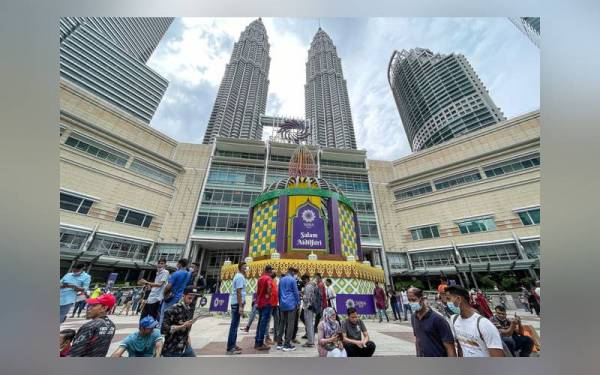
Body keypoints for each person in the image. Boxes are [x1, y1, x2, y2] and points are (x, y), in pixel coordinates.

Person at [446, 285, 505, 357]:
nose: (447, 303)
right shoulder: (454, 320)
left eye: (448, 299)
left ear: (458, 299)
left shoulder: (484, 324)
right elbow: (460, 347)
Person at [408, 287, 456, 357]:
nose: (411, 303)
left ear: (422, 299)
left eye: (413, 300)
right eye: (409, 300)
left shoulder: (438, 319)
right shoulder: (413, 318)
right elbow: (418, 340)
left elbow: (450, 347)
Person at [161, 286, 200, 357]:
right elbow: (164, 330)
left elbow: (186, 332)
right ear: (183, 296)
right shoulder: (172, 309)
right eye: (189, 298)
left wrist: (189, 346)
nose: (191, 301)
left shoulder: (188, 309)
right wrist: (182, 326)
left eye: (193, 298)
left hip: (185, 347)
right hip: (172, 348)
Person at [159, 258, 192, 325]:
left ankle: (162, 330)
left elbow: (169, 286)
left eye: (177, 263)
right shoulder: (188, 274)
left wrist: (164, 293)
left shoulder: (176, 273)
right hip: (180, 297)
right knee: (174, 315)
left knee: (164, 314)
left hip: (171, 297)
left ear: (180, 264)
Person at [276, 267, 300, 351]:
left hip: (282, 304)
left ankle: (279, 343)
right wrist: (298, 303)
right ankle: (287, 344)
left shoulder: (281, 280)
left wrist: (280, 302)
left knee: (282, 323)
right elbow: (296, 292)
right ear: (292, 272)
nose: (295, 274)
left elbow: (278, 292)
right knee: (290, 324)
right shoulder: (293, 280)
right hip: (291, 304)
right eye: (295, 272)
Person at [226, 262, 247, 355]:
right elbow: (239, 292)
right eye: (245, 266)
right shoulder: (239, 277)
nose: (246, 268)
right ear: (241, 268)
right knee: (234, 326)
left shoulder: (240, 276)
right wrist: (240, 306)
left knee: (235, 325)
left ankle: (233, 344)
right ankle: (231, 347)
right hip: (237, 304)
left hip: (237, 303)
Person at [254, 265, 273, 351]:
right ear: (269, 271)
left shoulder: (260, 278)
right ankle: (260, 343)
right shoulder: (268, 278)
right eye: (272, 270)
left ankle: (257, 341)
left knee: (260, 323)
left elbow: (257, 291)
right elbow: (269, 288)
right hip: (266, 302)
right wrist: (269, 294)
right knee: (263, 323)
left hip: (260, 302)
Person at [301, 274, 318, 348]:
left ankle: (310, 342)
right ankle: (311, 340)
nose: (303, 281)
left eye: (303, 280)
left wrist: (302, 295)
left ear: (306, 279)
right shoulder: (313, 285)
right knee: (310, 324)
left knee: (309, 325)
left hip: (308, 307)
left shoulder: (308, 286)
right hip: (311, 307)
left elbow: (306, 298)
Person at [264, 271, 279, 345]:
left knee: (277, 320)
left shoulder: (275, 281)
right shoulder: (268, 280)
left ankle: (276, 337)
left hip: (275, 304)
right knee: (268, 321)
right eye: (272, 271)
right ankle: (267, 338)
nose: (274, 272)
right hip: (269, 304)